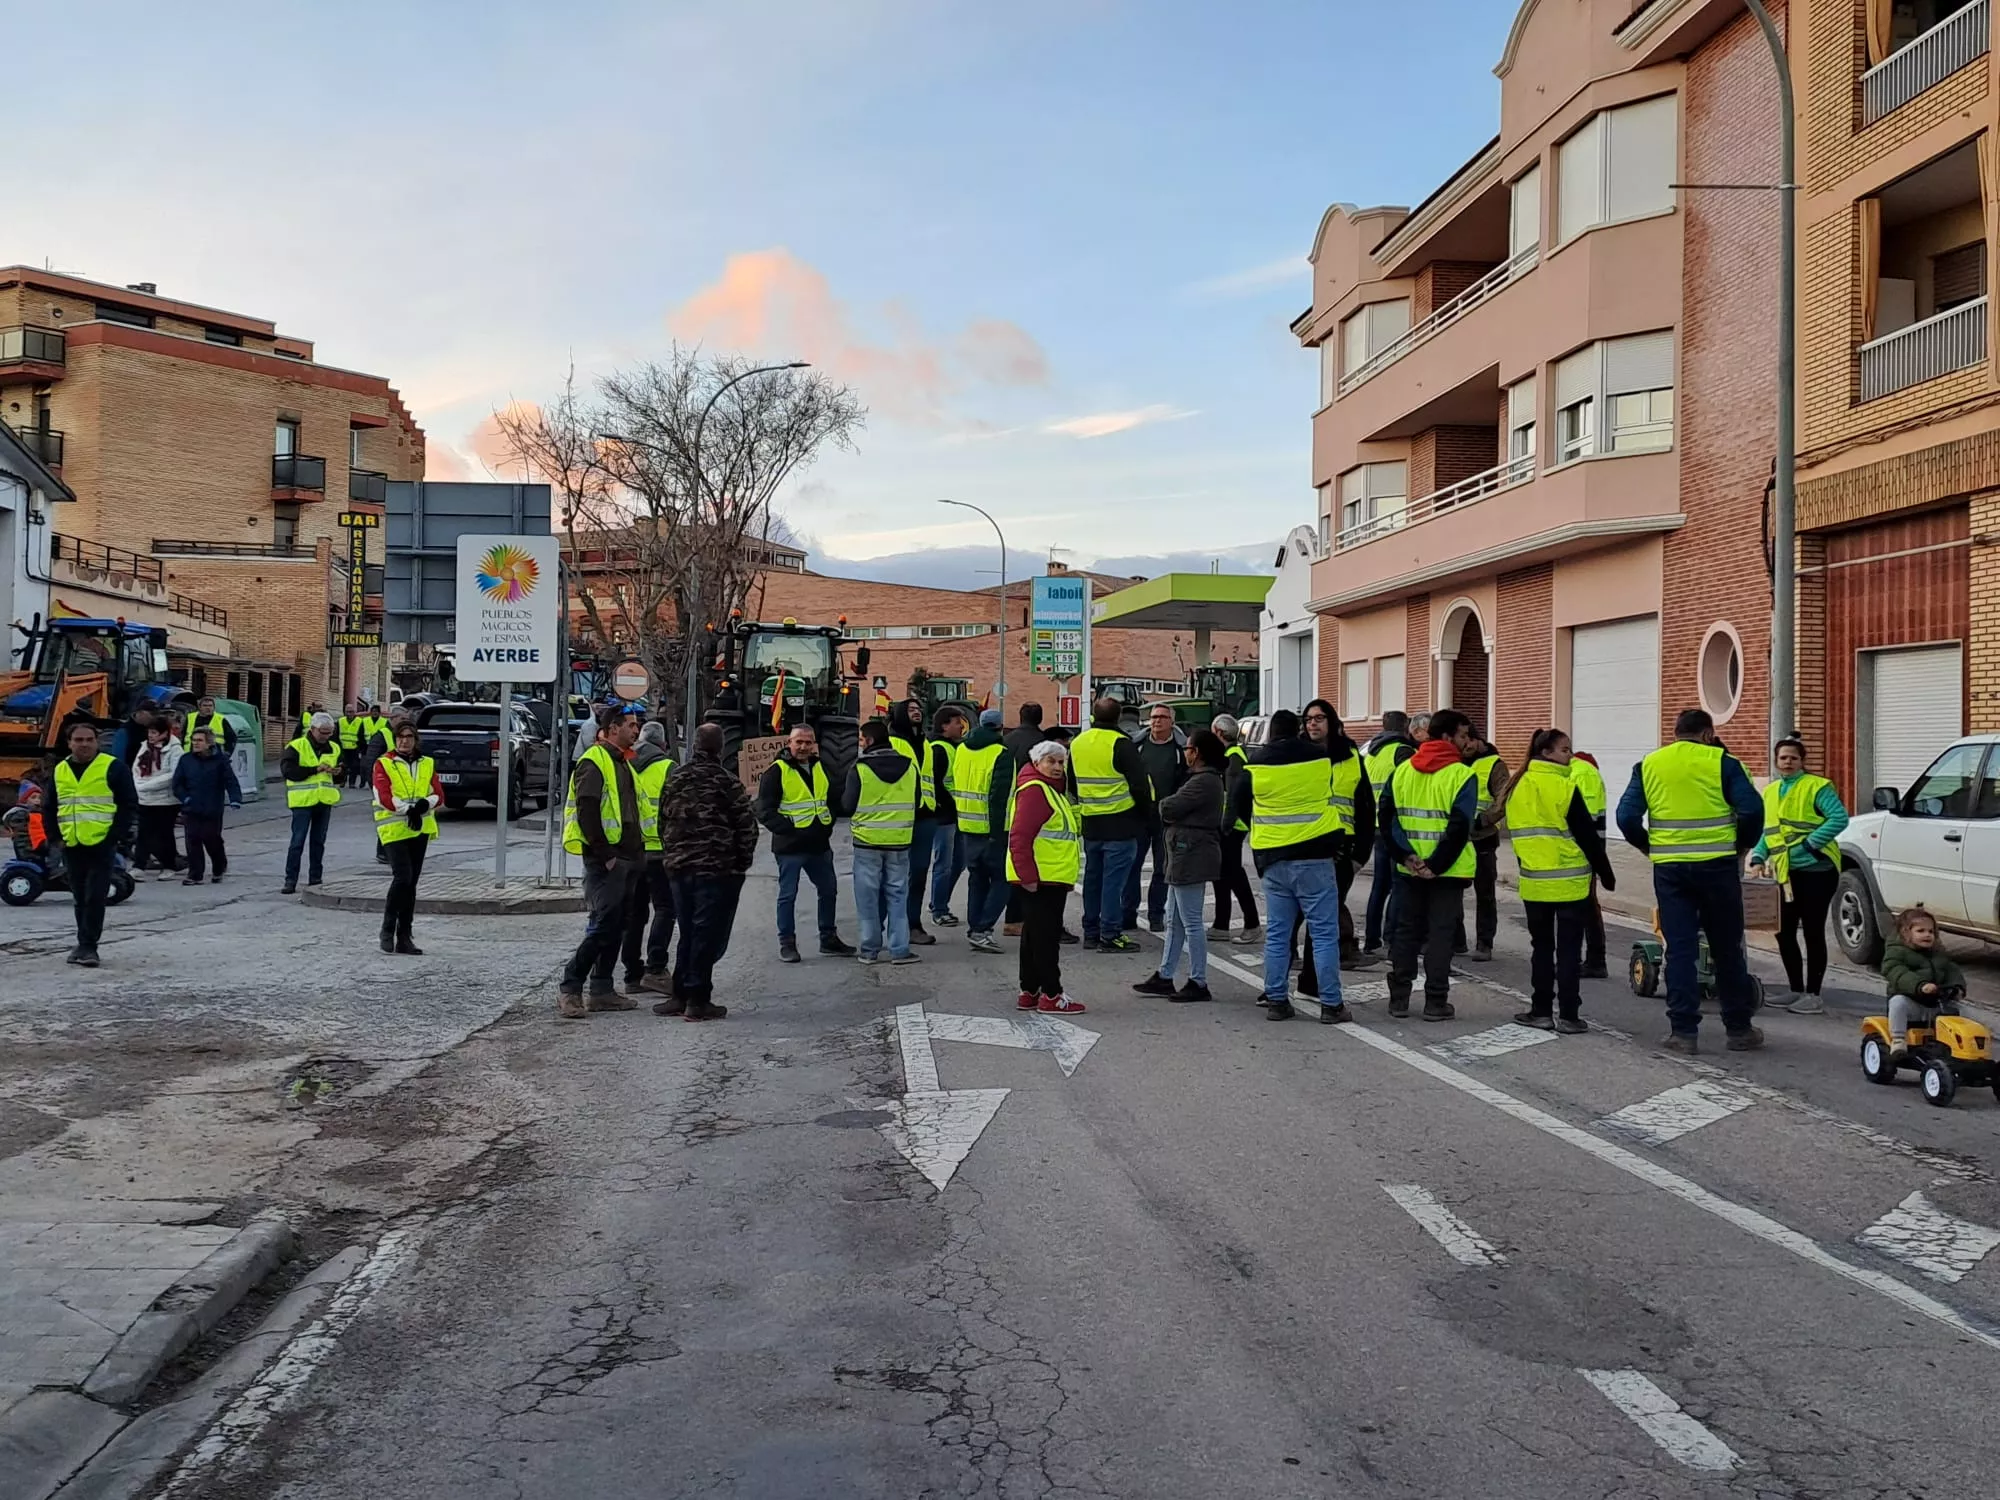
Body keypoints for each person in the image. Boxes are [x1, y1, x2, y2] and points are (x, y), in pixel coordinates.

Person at [1618, 707, 1767, 1054]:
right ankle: (1739, 1028)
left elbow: (1626, 816)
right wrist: (1742, 845)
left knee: (1681, 949)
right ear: (1707, 734)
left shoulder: (1650, 764)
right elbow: (1752, 810)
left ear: (1676, 733)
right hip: (1717, 867)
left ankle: (1683, 1032)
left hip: (1670, 869)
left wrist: (1647, 846)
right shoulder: (1722, 763)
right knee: (1727, 948)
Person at [1226, 708, 1349, 1023]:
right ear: (1298, 730)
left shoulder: (1255, 765)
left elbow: (1237, 805)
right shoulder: (1320, 759)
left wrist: (1258, 827)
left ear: (1269, 733)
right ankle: (1331, 1005)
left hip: (1273, 858)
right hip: (1316, 857)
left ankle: (1277, 1000)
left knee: (1279, 934)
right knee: (1323, 934)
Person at [1504, 729, 1615, 1031]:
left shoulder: (1517, 786)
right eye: (1564, 750)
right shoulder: (1564, 786)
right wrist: (1606, 873)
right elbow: (1587, 836)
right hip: (1571, 882)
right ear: (1546, 753)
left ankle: (1540, 1011)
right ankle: (1569, 1015)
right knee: (1568, 951)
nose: (1570, 755)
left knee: (1541, 949)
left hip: (1534, 883)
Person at [1379, 710, 1478, 1020]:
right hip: (1446, 871)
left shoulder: (1403, 771)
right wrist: (1435, 864)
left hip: (1408, 869)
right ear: (1447, 737)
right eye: (1463, 735)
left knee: (1406, 931)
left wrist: (1405, 856)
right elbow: (1459, 826)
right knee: (1440, 935)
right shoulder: (1462, 775)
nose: (1467, 742)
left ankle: (1399, 999)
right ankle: (1435, 1002)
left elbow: (1387, 818)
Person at [657, 723, 759, 1021]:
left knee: (687, 930)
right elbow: (746, 828)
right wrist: (741, 863)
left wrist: (672, 853)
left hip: (679, 867)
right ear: (721, 747)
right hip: (715, 869)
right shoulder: (726, 782)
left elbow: (662, 821)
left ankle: (679, 994)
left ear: (695, 745)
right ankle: (698, 999)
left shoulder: (675, 780)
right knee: (706, 933)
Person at [1746, 736, 1849, 1015]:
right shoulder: (1770, 791)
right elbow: (1770, 832)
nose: (1788, 762)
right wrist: (1757, 857)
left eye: (1793, 758)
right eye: (1783, 758)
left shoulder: (1817, 786)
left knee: (1813, 932)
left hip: (1818, 870)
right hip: (1785, 873)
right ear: (1776, 761)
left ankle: (1813, 995)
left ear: (1802, 761)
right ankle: (1795, 990)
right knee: (1783, 931)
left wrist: (1809, 845)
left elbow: (1840, 818)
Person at [557, 705, 646, 1019]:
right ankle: (571, 986)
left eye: (637, 726)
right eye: (631, 726)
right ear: (612, 728)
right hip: (608, 861)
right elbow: (587, 811)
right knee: (603, 925)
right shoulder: (594, 762)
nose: (636, 731)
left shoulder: (622, 762)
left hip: (629, 858)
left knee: (617, 926)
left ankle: (602, 990)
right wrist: (605, 856)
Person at [1134, 728, 1226, 1003]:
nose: (1185, 752)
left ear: (1196, 753)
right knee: (1174, 919)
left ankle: (1198, 980)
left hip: (1192, 854)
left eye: (1188, 748)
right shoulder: (1200, 779)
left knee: (1192, 921)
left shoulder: (1204, 782)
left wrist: (1165, 805)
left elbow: (1168, 807)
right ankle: (1165, 975)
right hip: (1184, 853)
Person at [755, 722, 852, 963]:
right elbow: (764, 810)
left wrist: (826, 825)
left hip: (819, 845)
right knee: (788, 895)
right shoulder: (775, 772)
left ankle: (828, 938)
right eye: (798, 741)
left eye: (808, 742)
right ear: (789, 743)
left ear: (814, 745)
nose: (803, 746)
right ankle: (787, 943)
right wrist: (788, 830)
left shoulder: (821, 768)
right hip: (790, 847)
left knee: (828, 890)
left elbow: (831, 800)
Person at [45, 721, 138, 966]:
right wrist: (55, 838)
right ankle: (83, 943)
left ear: (97, 742)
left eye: (89, 740)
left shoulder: (113, 767)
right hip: (72, 843)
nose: (84, 744)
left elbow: (128, 805)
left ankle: (89, 946)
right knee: (79, 896)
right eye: (79, 740)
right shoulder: (60, 769)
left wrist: (113, 837)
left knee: (95, 896)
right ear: (69, 743)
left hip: (101, 843)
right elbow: (50, 806)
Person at [1008, 739, 1086, 1014]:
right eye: (1050, 761)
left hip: (1046, 875)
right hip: (1041, 877)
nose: (1056, 767)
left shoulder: (1047, 790)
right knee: (1045, 938)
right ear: (1036, 762)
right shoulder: (1037, 791)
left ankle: (1029, 991)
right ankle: (1052, 994)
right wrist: (1027, 875)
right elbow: (1020, 836)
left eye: (1061, 762)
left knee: (1034, 935)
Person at [1070, 696, 1152, 952]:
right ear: (1118, 718)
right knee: (1113, 883)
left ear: (1094, 716)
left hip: (1091, 823)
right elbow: (1139, 785)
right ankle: (1110, 934)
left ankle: (1091, 932)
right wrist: (1146, 815)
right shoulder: (1121, 744)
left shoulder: (1078, 743)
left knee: (1093, 881)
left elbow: (1071, 782)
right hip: (1120, 823)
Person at [1300, 699, 1374, 978]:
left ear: (1331, 722)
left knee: (1324, 918)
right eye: (1308, 719)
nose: (1313, 724)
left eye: (1319, 718)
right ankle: (1277, 986)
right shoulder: (1299, 754)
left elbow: (1366, 806)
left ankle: (1312, 977)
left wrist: (1361, 854)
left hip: (1342, 850)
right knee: (1293, 917)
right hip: (1306, 846)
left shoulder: (1351, 755)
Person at [848, 718, 921, 965]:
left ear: (868, 741)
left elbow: (848, 805)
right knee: (898, 895)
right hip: (900, 840)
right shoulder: (910, 767)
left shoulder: (860, 768)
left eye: (861, 739)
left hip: (867, 841)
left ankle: (869, 950)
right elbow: (918, 801)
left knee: (868, 899)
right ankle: (900, 949)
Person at [623, 720, 681, 990]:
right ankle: (656, 968)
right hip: (660, 852)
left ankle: (632, 974)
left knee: (635, 914)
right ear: (663, 744)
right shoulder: (669, 768)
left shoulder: (625, 764)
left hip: (632, 852)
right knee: (665, 909)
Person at [373, 719, 439, 955]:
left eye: (409, 737)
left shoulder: (427, 763)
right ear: (395, 739)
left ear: (415, 740)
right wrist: (407, 809)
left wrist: (424, 804)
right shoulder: (383, 763)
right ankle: (387, 929)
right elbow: (383, 795)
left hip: (418, 828)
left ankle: (404, 936)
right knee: (403, 877)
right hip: (393, 829)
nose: (404, 741)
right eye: (400, 736)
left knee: (411, 884)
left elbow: (438, 794)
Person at [952, 708, 1013, 954]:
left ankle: (975, 928)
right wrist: (998, 831)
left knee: (977, 880)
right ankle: (982, 929)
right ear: (1000, 727)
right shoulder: (1001, 753)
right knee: (1003, 879)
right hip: (991, 829)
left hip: (967, 825)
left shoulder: (962, 750)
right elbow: (998, 797)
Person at [1361, 710, 1419, 956]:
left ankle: (1371, 939)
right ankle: (1391, 938)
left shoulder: (1370, 752)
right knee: (1398, 886)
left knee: (1379, 886)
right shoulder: (1403, 752)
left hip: (1375, 826)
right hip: (1395, 826)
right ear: (1405, 727)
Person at [1129, 703, 1187, 934]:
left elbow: (1185, 781)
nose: (1157, 721)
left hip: (1167, 819)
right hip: (1140, 817)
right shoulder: (1138, 746)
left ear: (1171, 721)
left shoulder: (1180, 749)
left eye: (1162, 717)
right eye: (1153, 717)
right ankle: (1128, 914)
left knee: (1162, 869)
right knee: (1133, 866)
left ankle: (1156, 915)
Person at [889, 699, 944, 947]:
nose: (917, 712)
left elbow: (931, 777)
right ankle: (892, 926)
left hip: (926, 816)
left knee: (919, 874)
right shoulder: (891, 742)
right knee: (894, 875)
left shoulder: (926, 743)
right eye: (911, 709)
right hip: (898, 817)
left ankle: (913, 924)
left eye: (919, 709)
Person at [1454, 727, 1509, 961]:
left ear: (1477, 740)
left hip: (1482, 836)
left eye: (1468, 740)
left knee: (1484, 892)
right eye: (1461, 740)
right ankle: (1457, 941)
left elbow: (1503, 798)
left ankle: (1484, 943)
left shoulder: (1494, 764)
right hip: (1458, 837)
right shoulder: (1456, 761)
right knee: (1452, 891)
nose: (1464, 745)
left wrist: (1483, 820)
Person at [1881, 908, 1966, 1057]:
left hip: (1936, 1004)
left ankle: (1968, 1046)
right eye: (1920, 931)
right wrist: (1920, 985)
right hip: (1912, 1004)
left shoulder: (1938, 954)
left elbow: (1951, 969)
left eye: (1931, 931)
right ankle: (1898, 1040)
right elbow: (1896, 971)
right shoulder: (1897, 952)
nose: (1927, 935)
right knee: (1897, 1002)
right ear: (1906, 933)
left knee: (1964, 1011)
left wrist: (1957, 987)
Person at [1208, 714, 1261, 944]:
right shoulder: (1232, 756)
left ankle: (1251, 923)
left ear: (1219, 733)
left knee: (1233, 875)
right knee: (1221, 874)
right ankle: (1221, 924)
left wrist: (1225, 825)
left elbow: (1232, 797)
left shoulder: (1232, 759)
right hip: (1229, 824)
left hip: (1231, 826)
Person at [280, 712, 343, 894]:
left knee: (318, 842)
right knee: (297, 841)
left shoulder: (334, 747)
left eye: (329, 733)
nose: (326, 736)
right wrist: (315, 769)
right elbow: (288, 771)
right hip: (302, 802)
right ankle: (290, 880)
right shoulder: (296, 746)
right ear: (313, 729)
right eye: (323, 732)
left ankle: (315, 878)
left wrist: (338, 772)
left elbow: (342, 773)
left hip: (324, 800)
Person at [999, 703, 1046, 938]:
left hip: (1009, 807)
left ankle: (1012, 918)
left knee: (1015, 865)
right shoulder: (1042, 742)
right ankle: (1026, 919)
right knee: (1033, 867)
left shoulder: (1007, 741)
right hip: (1033, 807)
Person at [173, 725, 241, 884]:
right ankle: (195, 874)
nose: (195, 743)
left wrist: (235, 798)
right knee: (192, 840)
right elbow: (177, 783)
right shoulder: (186, 760)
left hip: (212, 807)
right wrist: (185, 798)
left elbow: (230, 781)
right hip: (191, 807)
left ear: (209, 743)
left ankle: (219, 866)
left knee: (211, 839)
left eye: (199, 740)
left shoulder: (220, 760)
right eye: (193, 740)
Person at [1568, 750, 1611, 977]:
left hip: (1581, 850)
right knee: (1586, 905)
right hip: (1587, 849)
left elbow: (1585, 817)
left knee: (1584, 906)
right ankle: (1595, 959)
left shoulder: (1582, 773)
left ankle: (1595, 959)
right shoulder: (1582, 771)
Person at [927, 707, 970, 927]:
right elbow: (936, 784)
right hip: (944, 816)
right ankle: (939, 909)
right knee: (944, 864)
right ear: (944, 726)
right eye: (956, 722)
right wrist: (951, 804)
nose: (961, 726)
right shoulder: (938, 749)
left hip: (956, 814)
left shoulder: (953, 748)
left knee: (958, 863)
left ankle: (939, 902)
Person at [131, 721, 185, 878]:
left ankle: (169, 866)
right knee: (143, 833)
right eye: (149, 732)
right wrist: (139, 783)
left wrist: (148, 785)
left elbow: (174, 775)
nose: (150, 736)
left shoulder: (175, 750)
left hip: (166, 800)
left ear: (164, 734)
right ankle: (139, 865)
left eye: (154, 733)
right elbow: (136, 767)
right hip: (145, 798)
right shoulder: (145, 746)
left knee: (165, 833)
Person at [338, 703, 368, 788]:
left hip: (355, 748)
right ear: (344, 712)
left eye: (351, 712)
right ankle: (342, 781)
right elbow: (337, 734)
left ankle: (352, 783)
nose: (349, 714)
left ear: (354, 712)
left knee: (354, 766)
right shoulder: (341, 721)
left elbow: (361, 735)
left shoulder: (359, 721)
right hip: (343, 747)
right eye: (347, 712)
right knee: (343, 766)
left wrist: (361, 748)